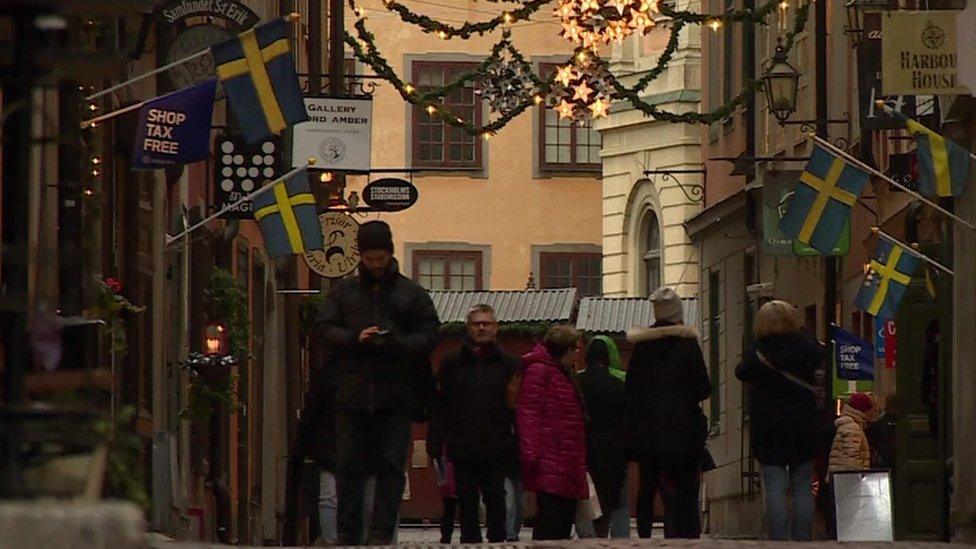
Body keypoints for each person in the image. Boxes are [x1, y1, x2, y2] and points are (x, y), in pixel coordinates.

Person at [317, 220, 441, 545]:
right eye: (370, 258)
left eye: (380, 258)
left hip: (396, 394)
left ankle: (382, 533)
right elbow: (324, 328)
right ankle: (347, 533)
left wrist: (399, 343)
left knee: (391, 466)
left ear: (389, 253)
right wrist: (355, 338)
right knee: (348, 466)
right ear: (361, 256)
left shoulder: (410, 293)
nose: (375, 264)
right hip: (352, 393)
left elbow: (430, 334)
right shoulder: (344, 292)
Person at [427, 304, 519, 543]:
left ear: (495, 328)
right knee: (466, 502)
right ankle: (470, 543)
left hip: (497, 444)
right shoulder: (451, 363)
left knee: (497, 500)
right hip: (462, 443)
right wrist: (435, 441)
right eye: (476, 323)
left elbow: (518, 406)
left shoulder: (510, 364)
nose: (481, 327)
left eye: (486, 323)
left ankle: (498, 542)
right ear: (467, 328)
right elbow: (441, 404)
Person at [735, 299, 824, 542]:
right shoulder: (806, 348)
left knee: (774, 486)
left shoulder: (757, 353)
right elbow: (820, 353)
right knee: (802, 487)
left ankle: (777, 541)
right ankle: (803, 540)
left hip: (769, 426)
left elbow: (740, 371)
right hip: (803, 424)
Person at [627, 286, 710, 539]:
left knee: (648, 486)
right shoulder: (688, 345)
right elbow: (704, 388)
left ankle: (643, 535)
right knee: (684, 485)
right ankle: (683, 534)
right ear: (678, 312)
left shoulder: (642, 348)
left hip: (648, 431)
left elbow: (631, 388)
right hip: (683, 430)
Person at [517, 324, 588, 540]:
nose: (578, 354)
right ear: (565, 349)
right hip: (550, 460)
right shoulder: (540, 371)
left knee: (563, 523)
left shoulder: (562, 372)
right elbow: (529, 414)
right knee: (551, 522)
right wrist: (532, 457)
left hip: (565, 460)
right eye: (576, 349)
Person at [576, 336, 630, 539]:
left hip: (586, 449)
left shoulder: (577, 382)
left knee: (586, 499)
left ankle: (589, 539)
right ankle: (621, 541)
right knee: (619, 502)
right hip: (615, 451)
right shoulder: (619, 385)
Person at [828, 393, 874, 474]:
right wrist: (858, 477)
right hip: (847, 479)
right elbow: (851, 457)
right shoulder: (852, 427)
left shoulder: (849, 424)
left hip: (840, 476)